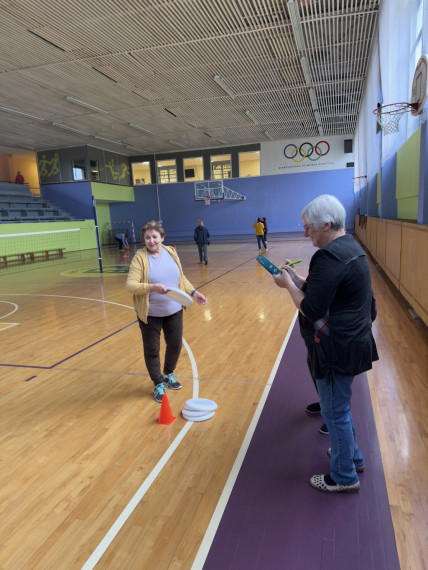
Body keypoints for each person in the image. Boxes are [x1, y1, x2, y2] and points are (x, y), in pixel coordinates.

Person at [272, 195, 378, 493]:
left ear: (327, 225)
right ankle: (351, 456)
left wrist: (288, 285)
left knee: (335, 414)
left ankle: (344, 477)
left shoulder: (328, 255)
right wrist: (298, 278)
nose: (306, 233)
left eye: (309, 228)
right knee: (339, 409)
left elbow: (312, 309)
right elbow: (328, 291)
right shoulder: (351, 248)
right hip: (354, 342)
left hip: (336, 350)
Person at [126, 220, 207, 402]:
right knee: (152, 350)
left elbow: (181, 277)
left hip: (174, 310)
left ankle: (168, 374)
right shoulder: (140, 257)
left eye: (155, 236)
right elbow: (130, 285)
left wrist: (194, 292)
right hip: (150, 314)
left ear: (162, 237)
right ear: (144, 240)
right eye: (147, 238)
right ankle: (158, 384)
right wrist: (152, 287)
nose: (151, 241)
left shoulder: (171, 252)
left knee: (175, 344)